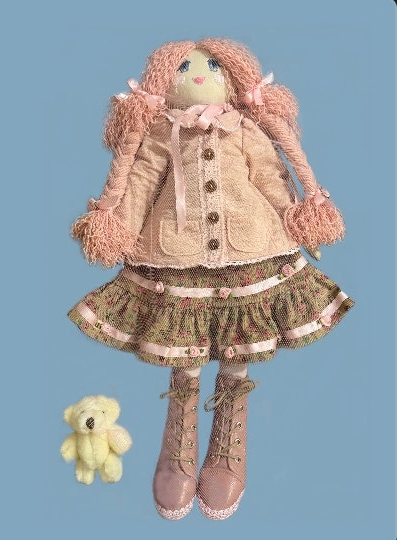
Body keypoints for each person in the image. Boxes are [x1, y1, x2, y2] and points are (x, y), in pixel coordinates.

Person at [68, 38, 354, 520]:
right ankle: (179, 428)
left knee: (239, 346)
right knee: (185, 349)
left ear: (235, 77)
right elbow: (140, 181)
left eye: (212, 67)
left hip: (253, 247)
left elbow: (272, 176)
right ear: (163, 80)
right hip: (174, 252)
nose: (199, 76)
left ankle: (229, 427)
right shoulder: (161, 130)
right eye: (184, 68)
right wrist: (118, 229)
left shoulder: (246, 128)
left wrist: (300, 219)